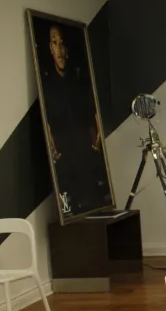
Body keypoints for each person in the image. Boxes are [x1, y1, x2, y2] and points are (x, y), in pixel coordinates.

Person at [39, 22, 112, 216]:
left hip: (85, 152)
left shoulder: (79, 80)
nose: (59, 49)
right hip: (64, 156)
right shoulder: (46, 85)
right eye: (55, 43)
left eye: (62, 43)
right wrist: (51, 143)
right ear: (50, 48)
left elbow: (92, 112)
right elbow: (46, 119)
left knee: (93, 201)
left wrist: (97, 135)